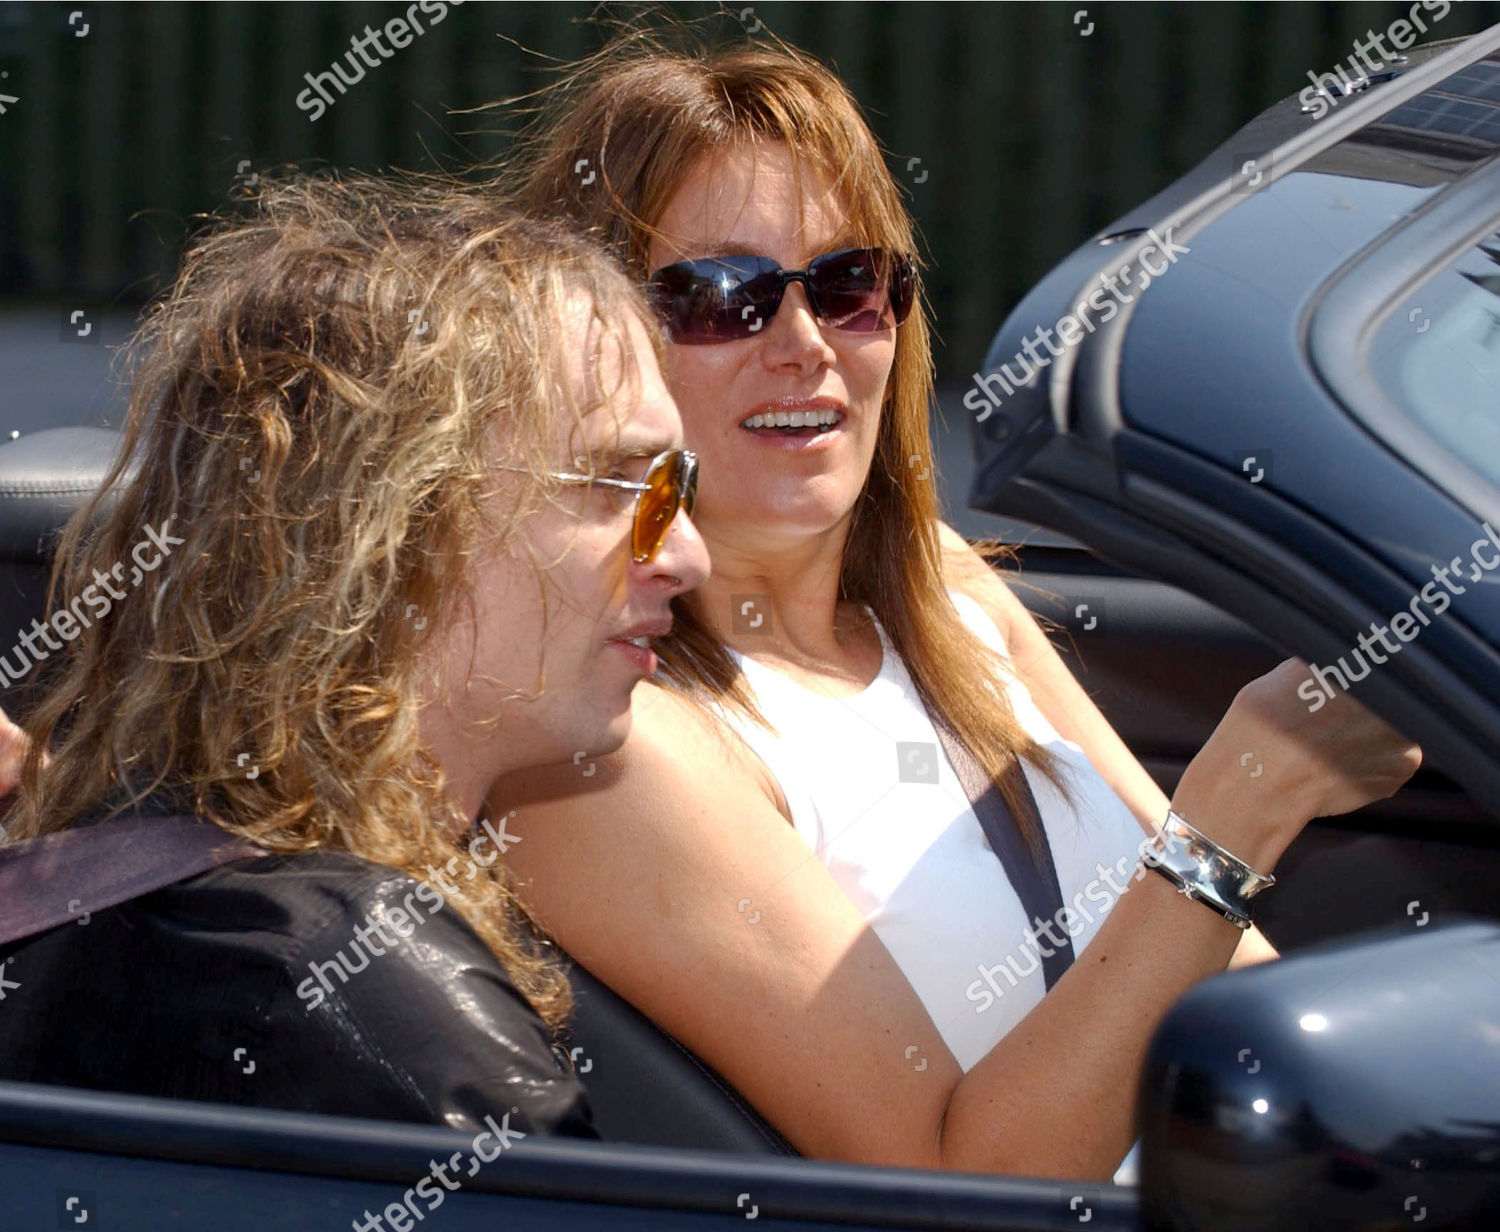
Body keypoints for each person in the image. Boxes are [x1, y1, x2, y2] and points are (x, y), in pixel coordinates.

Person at [488, 30, 1423, 1180]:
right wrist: (1240, 810)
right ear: (600, 346)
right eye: (721, 298)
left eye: (848, 285)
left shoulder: (943, 588)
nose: (803, 346)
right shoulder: (614, 740)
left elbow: (1229, 978)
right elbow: (958, 1184)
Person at [0, 174, 708, 1133]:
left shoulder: (102, 861)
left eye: (676, 485)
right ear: (395, 522)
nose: (685, 556)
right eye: (617, 482)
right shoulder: (369, 987)